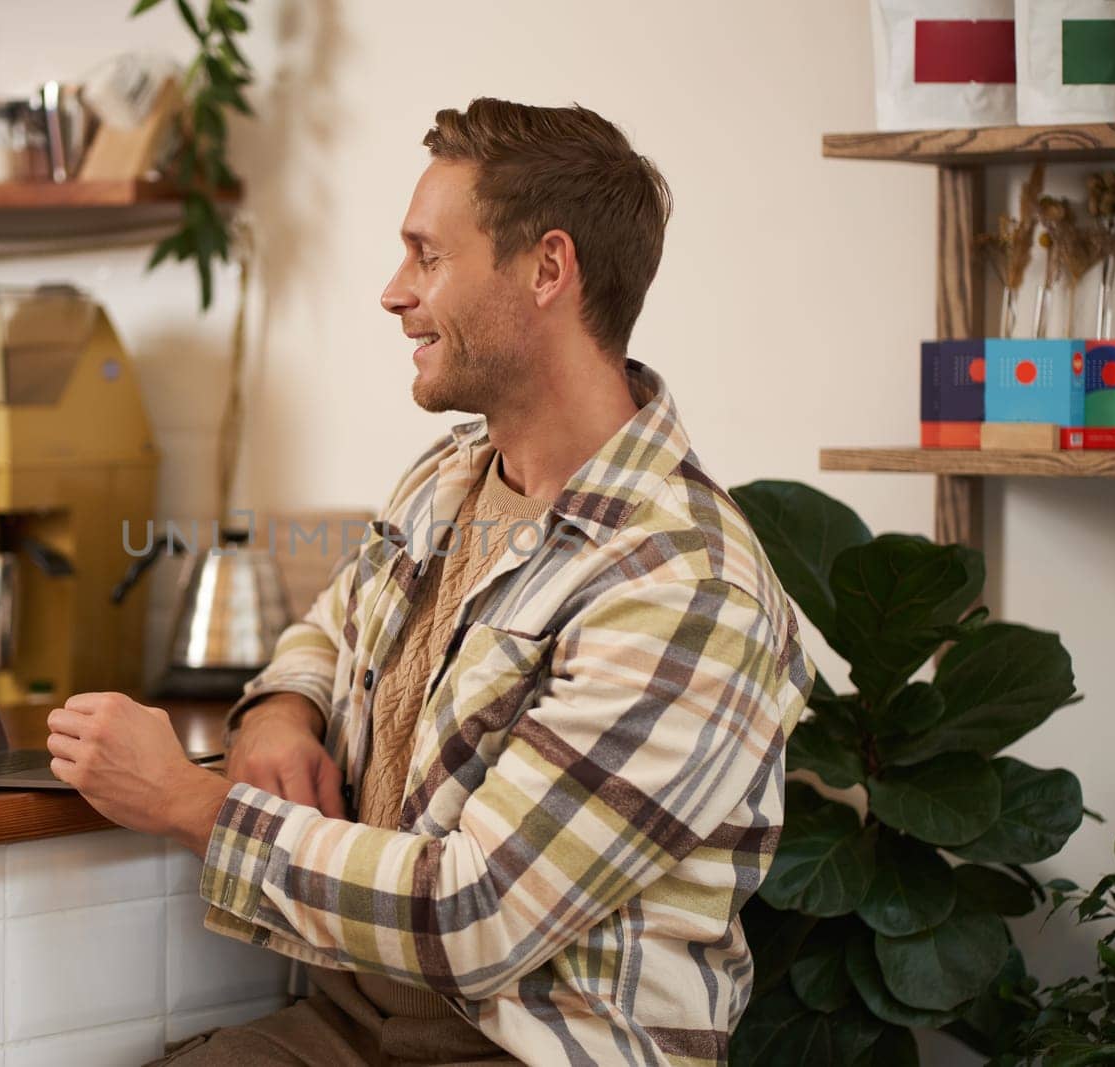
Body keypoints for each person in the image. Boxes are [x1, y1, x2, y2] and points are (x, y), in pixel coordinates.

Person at [45, 97, 812, 1067]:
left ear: (547, 269)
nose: (392, 291)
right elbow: (329, 626)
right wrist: (279, 708)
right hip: (348, 1024)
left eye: (427, 255)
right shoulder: (446, 478)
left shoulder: (683, 585)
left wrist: (187, 803)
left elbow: (475, 911)